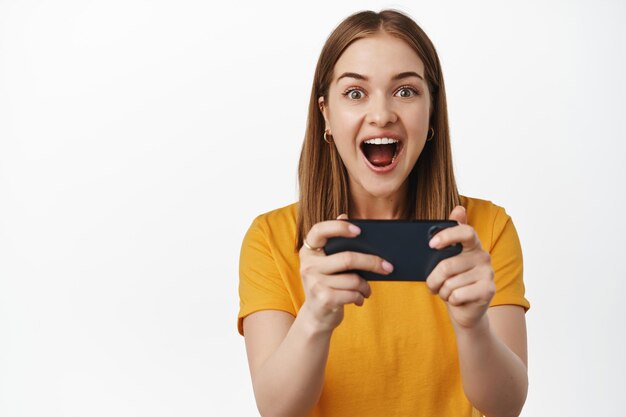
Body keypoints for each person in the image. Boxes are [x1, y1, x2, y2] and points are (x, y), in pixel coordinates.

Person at [237, 9, 529, 417]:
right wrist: (315, 318)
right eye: (355, 93)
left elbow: (506, 407)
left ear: (431, 113)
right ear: (326, 114)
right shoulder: (270, 238)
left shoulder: (487, 231)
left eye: (405, 91)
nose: (381, 114)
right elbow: (276, 410)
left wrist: (472, 326)